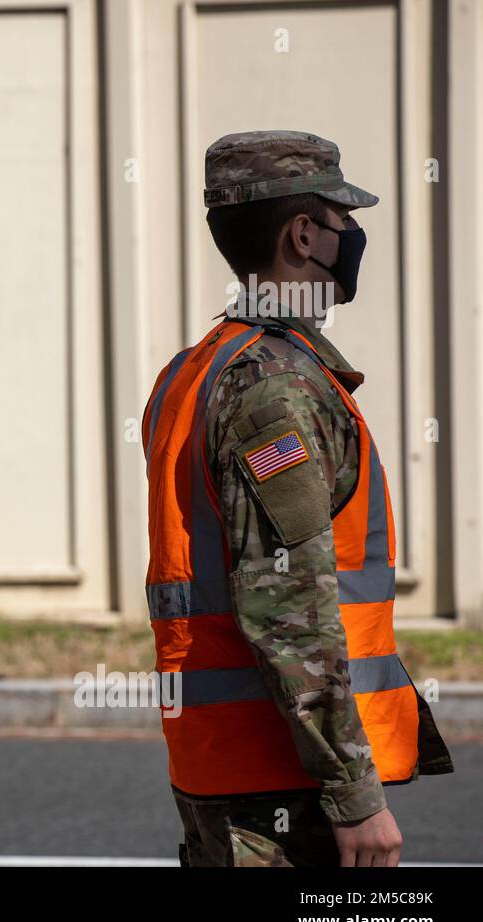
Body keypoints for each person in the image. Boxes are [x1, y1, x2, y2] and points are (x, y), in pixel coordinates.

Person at [142, 131, 453, 867]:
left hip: (234, 772)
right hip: (282, 786)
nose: (352, 236)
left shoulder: (197, 369)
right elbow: (289, 610)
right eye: (341, 219)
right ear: (303, 234)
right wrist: (353, 793)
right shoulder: (275, 387)